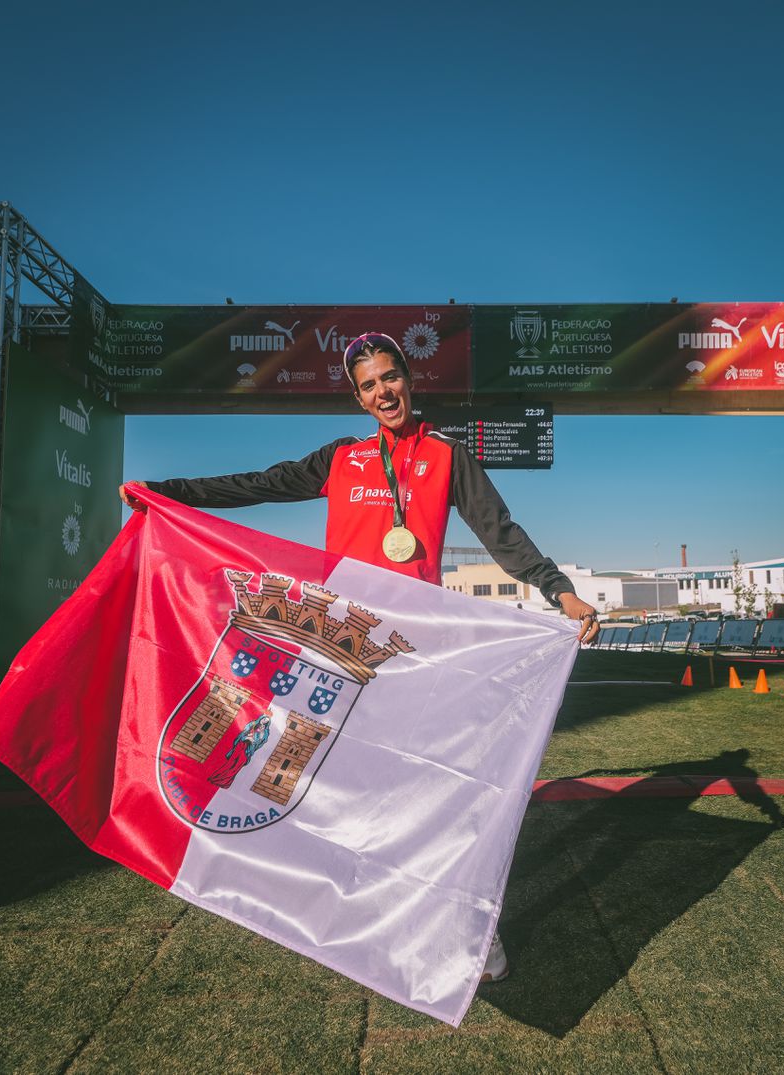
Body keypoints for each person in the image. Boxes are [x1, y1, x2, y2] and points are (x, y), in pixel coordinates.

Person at [120, 330, 600, 983]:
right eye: (369, 385)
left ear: (410, 379)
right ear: (358, 397)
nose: (383, 393)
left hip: (411, 657)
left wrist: (558, 588)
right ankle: (338, 910)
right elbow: (255, 484)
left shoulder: (447, 456)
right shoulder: (340, 459)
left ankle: (470, 937)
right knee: (330, 790)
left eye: (390, 378)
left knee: (433, 796)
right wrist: (167, 492)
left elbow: (500, 531)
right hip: (337, 655)